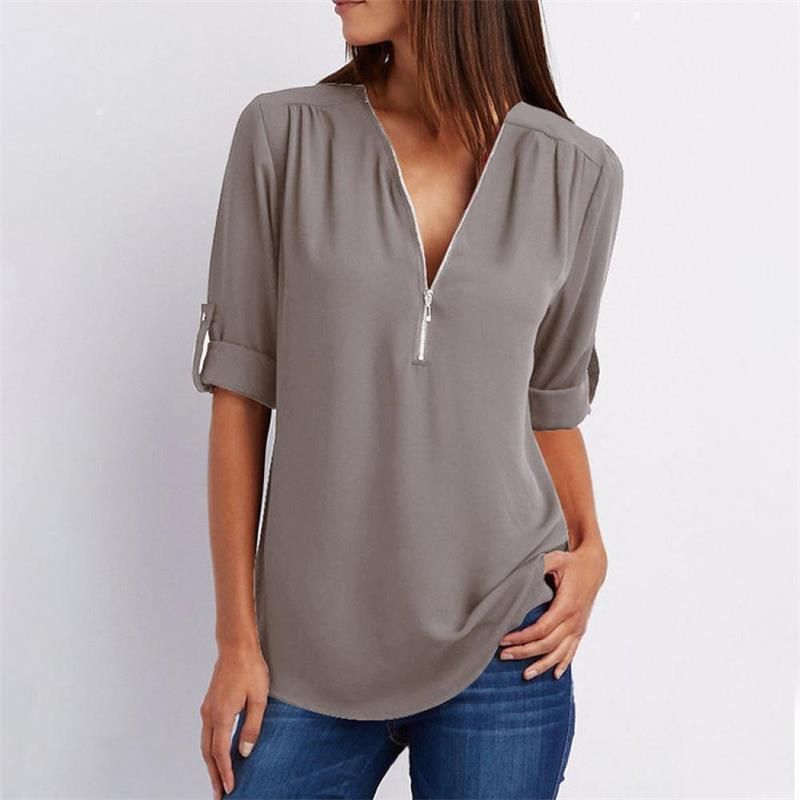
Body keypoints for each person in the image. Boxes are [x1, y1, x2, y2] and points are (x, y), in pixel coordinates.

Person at [191, 1, 624, 797]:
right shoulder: (284, 135)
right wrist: (236, 643)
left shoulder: (577, 172)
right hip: (308, 653)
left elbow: (550, 401)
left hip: (506, 640)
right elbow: (240, 397)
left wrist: (591, 546)